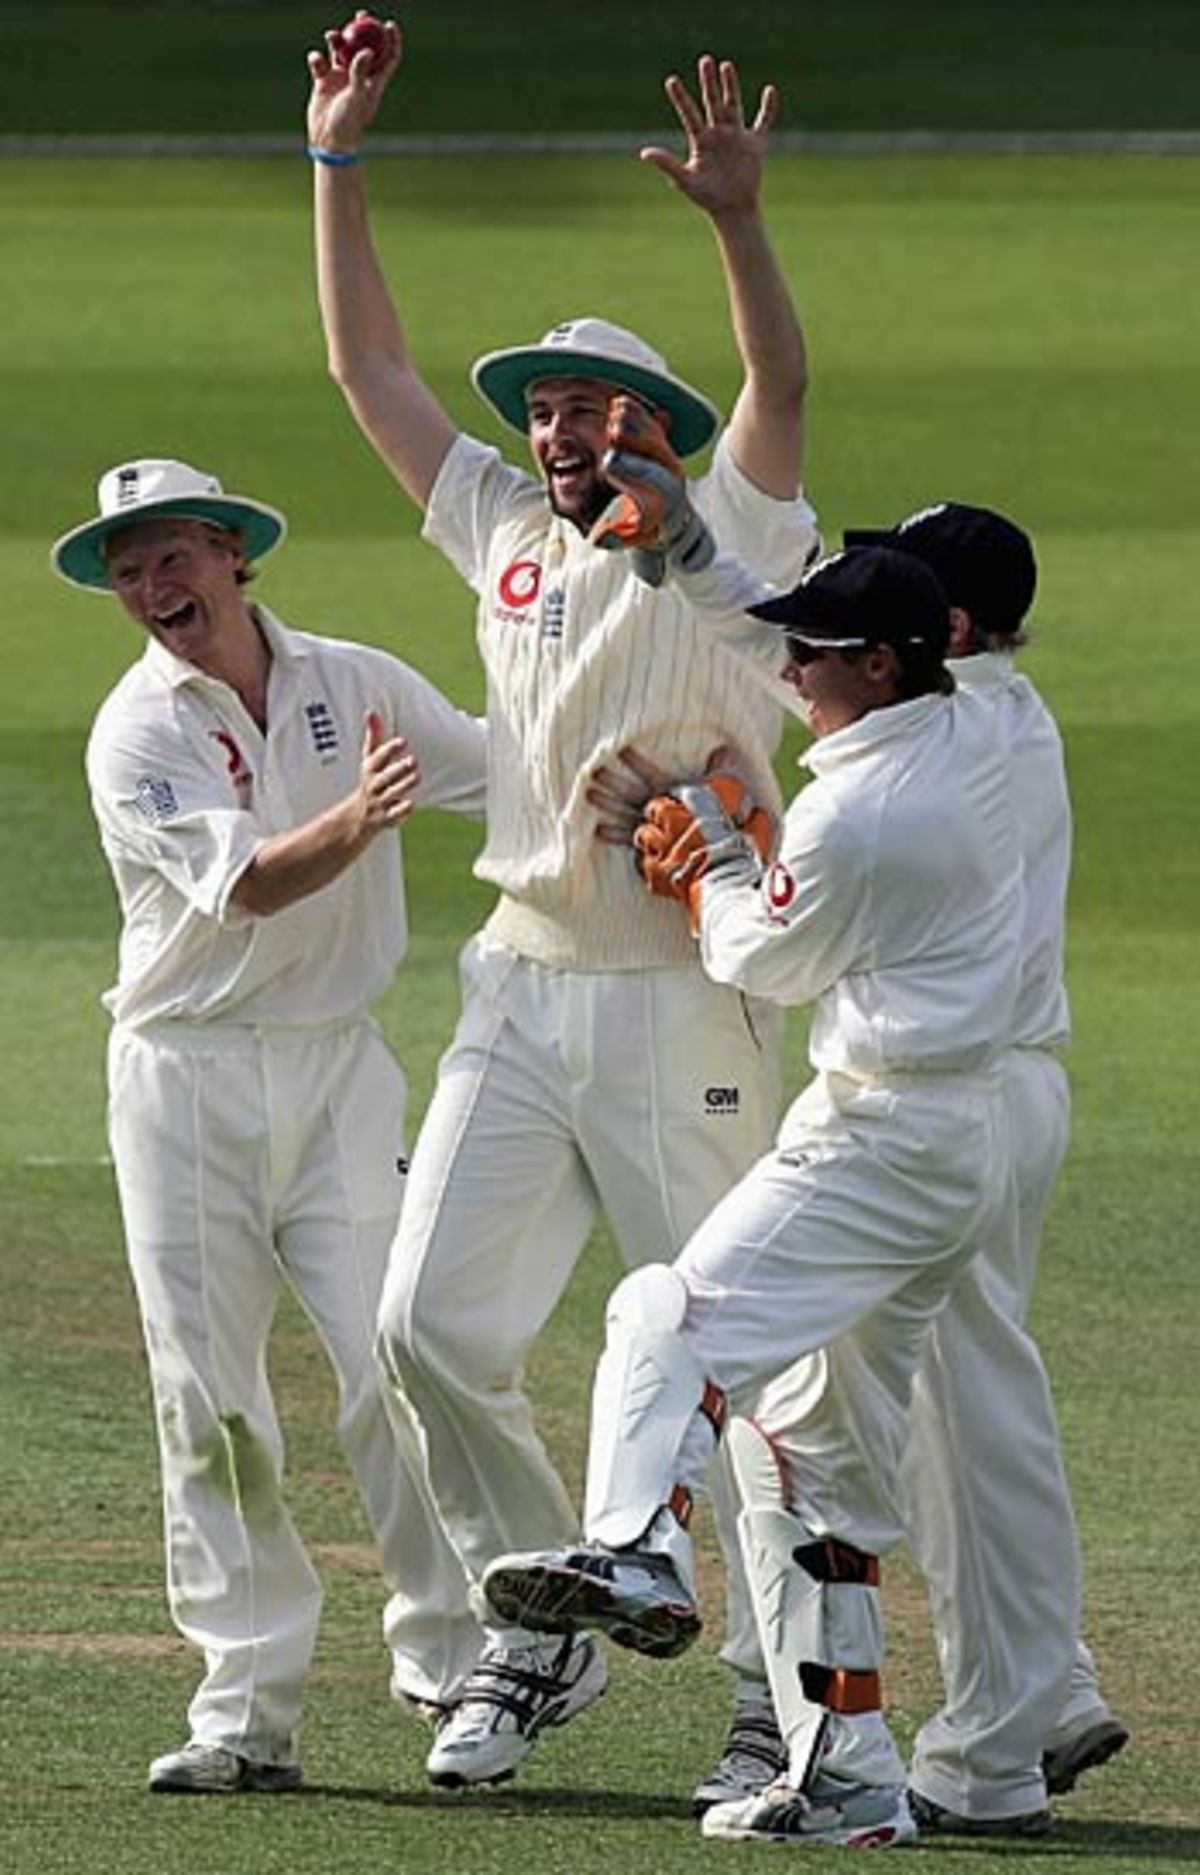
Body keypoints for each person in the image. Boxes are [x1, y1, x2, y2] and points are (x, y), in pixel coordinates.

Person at [306, 16, 819, 1788]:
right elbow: (372, 376)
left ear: (662, 433)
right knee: (423, 1328)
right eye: (542, 410)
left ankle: (781, 1693)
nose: (561, 430)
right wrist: (337, 163)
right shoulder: (504, 533)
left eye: (596, 410)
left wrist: (738, 226)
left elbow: (776, 397)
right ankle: (543, 1629)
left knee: (738, 1355)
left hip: (693, 995)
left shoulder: (732, 533)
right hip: (520, 985)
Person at [482, 542, 1028, 1848]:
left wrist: (715, 855)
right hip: (964, 1135)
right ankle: (847, 1775)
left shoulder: (862, 817)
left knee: (664, 1313)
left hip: (881, 1137)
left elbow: (763, 959)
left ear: (881, 665)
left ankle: (634, 1544)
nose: (788, 671)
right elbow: (805, 718)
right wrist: (702, 569)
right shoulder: (981, 728)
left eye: (813, 654)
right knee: (808, 1472)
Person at [53, 455, 488, 1793]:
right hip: (190, 1084)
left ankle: (458, 1664)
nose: (151, 587)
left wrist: (649, 775)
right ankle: (245, 1714)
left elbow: (502, 773)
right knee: (214, 1401)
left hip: (340, 1071)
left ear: (235, 554)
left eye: (173, 555)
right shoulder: (138, 730)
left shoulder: (354, 679)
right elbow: (246, 890)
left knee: (395, 1357)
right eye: (128, 570)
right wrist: (360, 816)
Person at [845, 503, 1128, 1829]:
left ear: (948, 631)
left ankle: (999, 1736)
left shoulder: (961, 731)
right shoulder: (998, 710)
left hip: (966, 1098)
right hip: (1006, 1093)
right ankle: (1044, 1686)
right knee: (964, 1407)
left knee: (966, 1420)